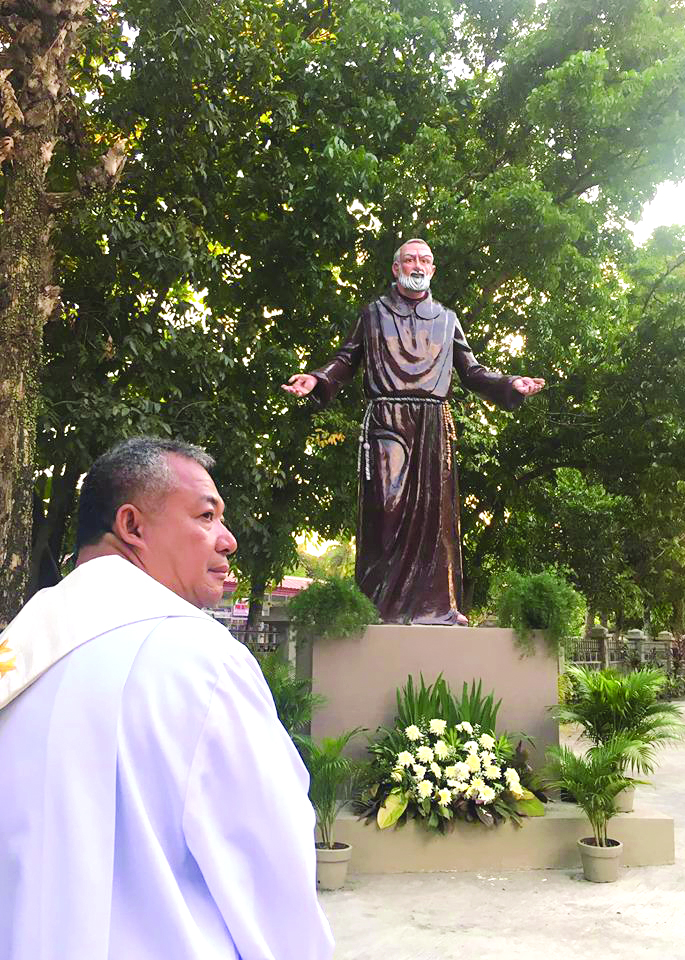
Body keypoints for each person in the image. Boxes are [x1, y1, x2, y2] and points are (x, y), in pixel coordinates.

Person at [0, 437, 333, 960]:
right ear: (133, 526)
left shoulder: (19, 660)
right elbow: (272, 870)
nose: (228, 540)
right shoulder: (200, 661)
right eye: (206, 515)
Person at [283, 239, 544, 626]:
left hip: (435, 422)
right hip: (388, 417)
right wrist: (317, 379)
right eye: (409, 259)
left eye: (424, 260)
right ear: (396, 268)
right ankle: (378, 608)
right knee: (385, 507)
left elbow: (472, 371)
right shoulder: (373, 314)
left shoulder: (446, 318)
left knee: (435, 516)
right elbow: (345, 359)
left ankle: (436, 609)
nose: (417, 265)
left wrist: (510, 383)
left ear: (433, 270)